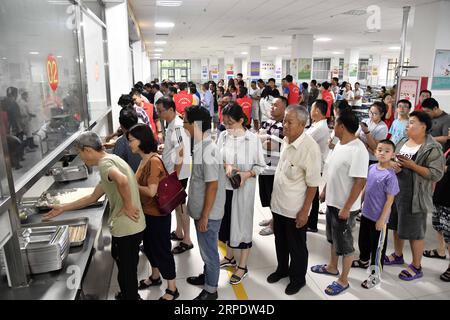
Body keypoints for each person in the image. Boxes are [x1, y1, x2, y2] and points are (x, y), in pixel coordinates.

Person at [43, 132, 145, 300]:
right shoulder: (111, 159)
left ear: (88, 150)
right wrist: (63, 208)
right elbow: (92, 197)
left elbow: (123, 181)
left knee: (127, 271)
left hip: (126, 227)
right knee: (125, 266)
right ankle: (128, 294)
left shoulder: (105, 164)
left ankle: (131, 296)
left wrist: (127, 206)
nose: (81, 158)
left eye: (80, 153)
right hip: (135, 225)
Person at [311, 110, 369, 296]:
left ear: (342, 126)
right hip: (332, 202)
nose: (332, 127)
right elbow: (333, 170)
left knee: (345, 244)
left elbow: (360, 181)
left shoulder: (358, 149)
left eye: (334, 124)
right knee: (333, 238)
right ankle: (332, 267)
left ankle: (343, 280)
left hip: (346, 207)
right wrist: (326, 190)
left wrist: (346, 207)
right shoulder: (340, 145)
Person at [385, 112, 445, 281]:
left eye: (411, 123)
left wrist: (412, 165)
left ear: (423, 126)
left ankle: (417, 266)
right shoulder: (403, 142)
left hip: (415, 196)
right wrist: (393, 165)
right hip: (396, 192)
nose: (407, 125)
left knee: (415, 232)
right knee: (396, 226)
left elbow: (436, 174)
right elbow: (391, 159)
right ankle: (398, 255)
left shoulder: (432, 147)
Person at [268, 105, 322, 295]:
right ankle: (282, 269)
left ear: (302, 124)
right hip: (279, 204)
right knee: (280, 242)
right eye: (284, 120)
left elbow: (313, 184)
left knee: (297, 247)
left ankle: (298, 279)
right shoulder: (286, 139)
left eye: (289, 122)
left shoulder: (310, 148)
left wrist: (304, 211)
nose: (284, 125)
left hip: (295, 208)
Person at [127, 124, 179, 300]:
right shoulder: (143, 160)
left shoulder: (154, 161)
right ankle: (155, 276)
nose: (129, 144)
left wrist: (130, 183)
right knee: (149, 247)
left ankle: (172, 288)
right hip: (147, 213)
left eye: (131, 140)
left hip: (157, 215)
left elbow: (151, 191)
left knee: (161, 248)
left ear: (142, 141)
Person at [217, 102, 266, 285]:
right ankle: (229, 257)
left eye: (231, 123)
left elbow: (261, 166)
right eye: (225, 123)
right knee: (228, 225)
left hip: (243, 190)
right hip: (225, 189)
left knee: (242, 227)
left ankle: (243, 266)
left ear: (242, 120)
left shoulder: (252, 140)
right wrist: (226, 165)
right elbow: (217, 157)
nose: (227, 127)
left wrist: (246, 174)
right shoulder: (222, 136)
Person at [183, 105, 226, 300]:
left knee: (210, 252)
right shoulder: (200, 146)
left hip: (207, 214)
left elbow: (213, 186)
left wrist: (205, 216)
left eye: (185, 121)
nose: (183, 125)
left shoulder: (208, 150)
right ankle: (207, 275)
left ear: (196, 124)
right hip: (202, 211)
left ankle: (211, 290)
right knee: (205, 250)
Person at [352, 139, 399, 289]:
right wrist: (360, 204)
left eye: (387, 151)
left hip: (379, 219)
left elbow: (389, 201)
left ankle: (375, 276)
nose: (382, 153)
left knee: (377, 249)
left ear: (393, 154)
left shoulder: (390, 176)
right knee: (363, 241)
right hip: (366, 214)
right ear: (375, 151)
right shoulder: (371, 167)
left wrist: (382, 219)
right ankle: (363, 260)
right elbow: (366, 187)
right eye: (380, 150)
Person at [155, 96, 193, 254]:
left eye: (161, 111)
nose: (159, 114)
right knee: (177, 205)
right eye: (157, 111)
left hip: (179, 173)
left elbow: (181, 152)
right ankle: (179, 232)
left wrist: (175, 177)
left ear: (171, 109)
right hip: (174, 171)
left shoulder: (177, 125)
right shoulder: (171, 124)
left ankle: (187, 240)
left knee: (181, 206)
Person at [257, 97, 287, 236]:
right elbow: (261, 137)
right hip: (264, 167)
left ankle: (274, 225)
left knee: (274, 198)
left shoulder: (284, 125)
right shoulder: (268, 122)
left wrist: (261, 138)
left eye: (276, 105)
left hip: (274, 169)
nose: (272, 107)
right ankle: (273, 218)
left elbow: (271, 145)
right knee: (267, 198)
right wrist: (264, 137)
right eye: (272, 105)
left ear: (284, 109)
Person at [306, 100, 330, 232]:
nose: (310, 110)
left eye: (312, 108)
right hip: (313, 163)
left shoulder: (321, 127)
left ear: (317, 111)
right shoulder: (316, 124)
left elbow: (304, 140)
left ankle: (312, 223)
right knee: (312, 193)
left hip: (316, 165)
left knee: (313, 195)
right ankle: (312, 220)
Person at [427, 147, 450, 282]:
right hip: (441, 194)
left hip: (448, 198)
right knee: (439, 226)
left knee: (449, 233)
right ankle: (440, 251)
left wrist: (442, 167)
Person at [111, 107, 142, 172]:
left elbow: (117, 170)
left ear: (121, 124)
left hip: (131, 180)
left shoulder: (121, 143)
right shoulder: (146, 136)